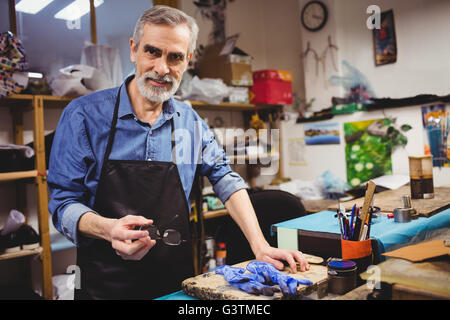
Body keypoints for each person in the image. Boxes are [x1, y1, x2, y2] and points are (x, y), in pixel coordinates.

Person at [48, 5, 309, 300]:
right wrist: (108, 229)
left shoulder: (190, 121)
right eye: (152, 52)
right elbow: (62, 202)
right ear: (133, 50)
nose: (162, 68)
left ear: (188, 60)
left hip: (176, 282)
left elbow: (225, 178)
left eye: (175, 57)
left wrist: (260, 245)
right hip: (103, 284)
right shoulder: (83, 116)